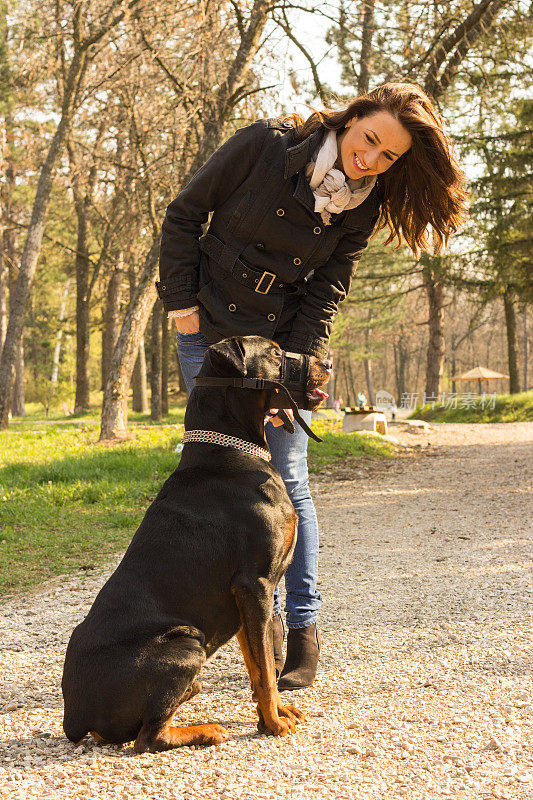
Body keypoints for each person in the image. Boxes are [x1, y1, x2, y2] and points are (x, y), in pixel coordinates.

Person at [156, 82, 468, 690]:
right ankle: (235, 626)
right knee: (219, 479)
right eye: (369, 140)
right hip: (210, 334)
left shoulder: (365, 206)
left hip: (278, 349)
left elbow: (324, 295)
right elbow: (184, 214)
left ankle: (301, 629)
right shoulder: (265, 146)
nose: (371, 160)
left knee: (287, 479)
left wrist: (295, 375)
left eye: (389, 157)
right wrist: (181, 304)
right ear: (352, 118)